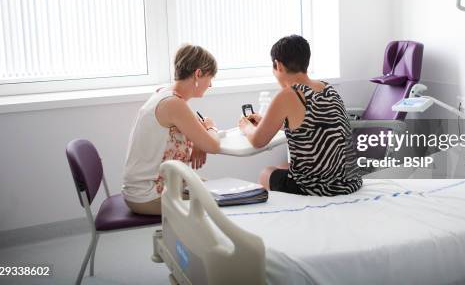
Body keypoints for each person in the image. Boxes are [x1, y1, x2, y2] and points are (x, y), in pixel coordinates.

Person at [239, 35, 362, 196]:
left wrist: (246, 126)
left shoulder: (288, 95)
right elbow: (310, 125)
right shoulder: (326, 88)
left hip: (317, 188)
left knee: (266, 172)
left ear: (278, 65)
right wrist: (266, 122)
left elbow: (257, 141)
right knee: (284, 165)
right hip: (349, 181)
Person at [122, 44, 221, 215]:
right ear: (198, 74)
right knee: (220, 200)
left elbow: (192, 129)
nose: (210, 84)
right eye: (210, 77)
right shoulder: (173, 104)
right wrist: (211, 126)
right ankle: (195, 241)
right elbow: (213, 145)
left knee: (215, 189)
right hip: (149, 194)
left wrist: (198, 142)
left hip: (147, 188)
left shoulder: (165, 93)